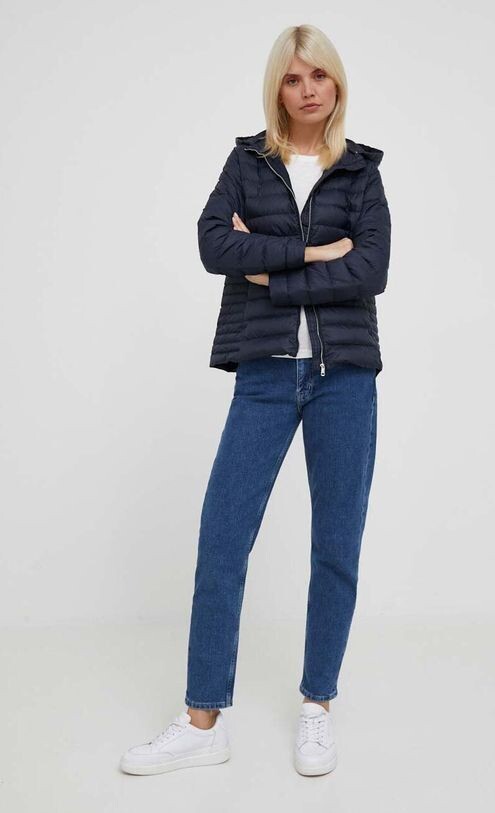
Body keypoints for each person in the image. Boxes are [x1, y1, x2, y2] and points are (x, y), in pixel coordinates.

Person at [120, 22, 391, 778]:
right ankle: (202, 721)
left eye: (319, 75)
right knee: (222, 539)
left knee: (336, 544)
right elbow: (216, 246)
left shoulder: (362, 172)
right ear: (277, 87)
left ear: (336, 83)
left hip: (345, 377)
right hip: (266, 373)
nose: (307, 89)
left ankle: (317, 706)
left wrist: (271, 273)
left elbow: (371, 270)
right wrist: (314, 251)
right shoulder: (248, 163)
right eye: (293, 78)